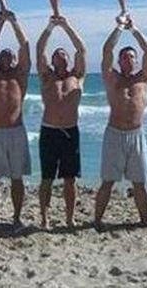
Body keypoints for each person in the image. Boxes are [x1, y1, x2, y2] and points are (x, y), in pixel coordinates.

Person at [94, 15, 147, 228]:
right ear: (119, 61)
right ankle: (97, 220)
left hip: (136, 134)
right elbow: (106, 50)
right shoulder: (112, 77)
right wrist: (119, 27)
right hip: (114, 133)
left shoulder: (144, 78)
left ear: (136, 61)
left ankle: (144, 221)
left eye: (132, 57)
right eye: (125, 57)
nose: (128, 60)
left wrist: (134, 29)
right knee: (108, 181)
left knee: (139, 183)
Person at [35, 15, 87, 229]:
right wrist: (50, 27)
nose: (61, 57)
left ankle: (69, 218)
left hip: (70, 132)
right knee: (47, 178)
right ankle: (44, 219)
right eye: (57, 55)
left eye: (64, 54)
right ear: (52, 60)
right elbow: (39, 49)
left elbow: (81, 50)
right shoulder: (47, 77)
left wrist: (66, 26)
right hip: (49, 132)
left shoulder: (77, 76)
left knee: (70, 179)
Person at [0, 11, 31, 228]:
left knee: (17, 178)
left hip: (16, 130)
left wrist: (14, 22)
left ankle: (17, 217)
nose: (7, 57)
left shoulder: (19, 76)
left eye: (11, 56)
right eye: (4, 55)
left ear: (15, 60)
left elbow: (25, 47)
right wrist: (0, 22)